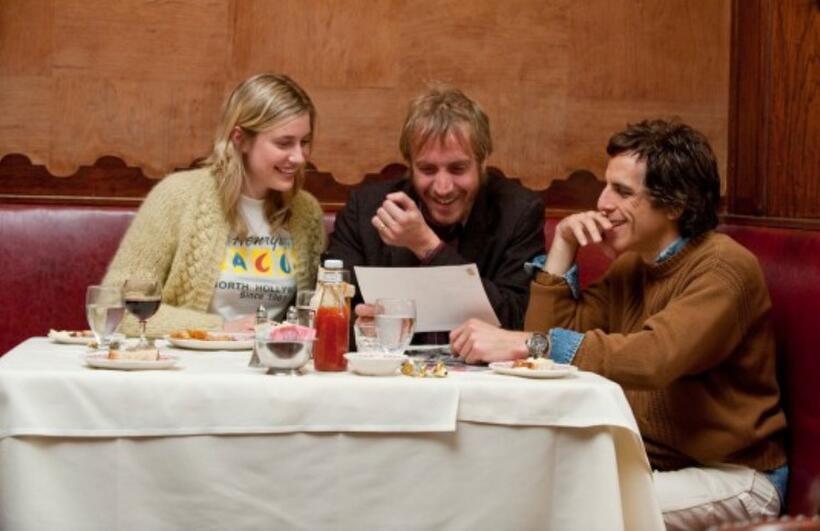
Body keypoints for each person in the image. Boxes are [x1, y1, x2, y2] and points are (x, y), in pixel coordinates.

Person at [450, 119, 788, 529]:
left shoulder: (723, 267)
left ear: (675, 205)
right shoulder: (633, 266)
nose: (602, 203)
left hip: (735, 476)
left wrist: (528, 344)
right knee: (513, 490)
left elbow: (653, 358)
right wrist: (563, 247)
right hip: (653, 464)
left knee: (572, 511)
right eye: (606, 186)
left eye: (623, 192)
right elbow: (550, 345)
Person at [104, 73, 326, 337]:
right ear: (240, 139)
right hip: (190, 358)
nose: (299, 157)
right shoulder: (177, 197)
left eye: (305, 142)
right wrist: (218, 329)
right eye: (284, 143)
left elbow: (314, 312)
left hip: (269, 360)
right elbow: (114, 308)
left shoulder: (306, 212)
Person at [325, 85, 545, 334]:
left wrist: (428, 246)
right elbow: (335, 309)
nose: (443, 188)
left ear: (483, 162)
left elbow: (517, 320)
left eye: (458, 169)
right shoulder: (366, 209)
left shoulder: (518, 213)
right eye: (427, 170)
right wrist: (360, 325)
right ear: (410, 166)